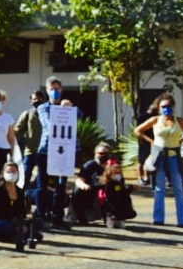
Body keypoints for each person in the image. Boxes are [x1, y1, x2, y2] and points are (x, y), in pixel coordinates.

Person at [134, 93, 183, 227]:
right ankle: (158, 218)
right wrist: (151, 142)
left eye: (169, 106)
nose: (166, 109)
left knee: (178, 187)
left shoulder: (179, 121)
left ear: (173, 107)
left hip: (173, 156)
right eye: (163, 106)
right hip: (158, 155)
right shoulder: (155, 120)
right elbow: (138, 131)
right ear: (159, 108)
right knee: (159, 188)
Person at [33, 77, 78, 230]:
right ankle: (41, 215)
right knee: (42, 185)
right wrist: (61, 113)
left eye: (57, 88)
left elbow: (79, 117)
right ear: (46, 90)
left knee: (60, 185)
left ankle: (57, 217)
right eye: (51, 88)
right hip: (46, 151)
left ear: (62, 89)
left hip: (64, 152)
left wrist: (69, 109)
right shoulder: (43, 108)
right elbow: (48, 124)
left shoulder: (69, 107)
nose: (55, 91)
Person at [0, 161, 30, 243]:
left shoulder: (20, 192)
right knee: (4, 225)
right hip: (0, 221)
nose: (11, 174)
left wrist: (21, 223)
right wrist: (15, 224)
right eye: (8, 171)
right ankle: (19, 236)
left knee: (36, 223)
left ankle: (19, 235)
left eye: (14, 171)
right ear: (3, 173)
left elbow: (22, 211)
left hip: (16, 222)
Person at [14, 89, 46, 196]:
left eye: (39, 99)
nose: (36, 101)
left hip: (45, 152)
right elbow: (17, 130)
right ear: (30, 101)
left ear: (43, 99)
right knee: (24, 178)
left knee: (43, 180)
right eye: (34, 99)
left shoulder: (48, 114)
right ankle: (21, 202)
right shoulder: (27, 115)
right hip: (30, 152)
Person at [72, 143, 112, 226]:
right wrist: (84, 185)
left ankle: (114, 217)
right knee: (77, 191)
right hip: (92, 192)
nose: (103, 156)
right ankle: (82, 219)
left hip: (108, 192)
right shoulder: (89, 165)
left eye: (106, 154)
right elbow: (79, 180)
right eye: (101, 153)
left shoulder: (113, 166)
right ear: (95, 154)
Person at [96, 159, 136, 229]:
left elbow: (124, 193)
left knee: (124, 215)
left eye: (118, 173)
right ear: (109, 173)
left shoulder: (119, 184)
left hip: (120, 204)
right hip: (110, 205)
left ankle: (120, 220)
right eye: (115, 173)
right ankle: (109, 220)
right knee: (112, 216)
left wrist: (131, 188)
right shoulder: (107, 184)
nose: (117, 175)